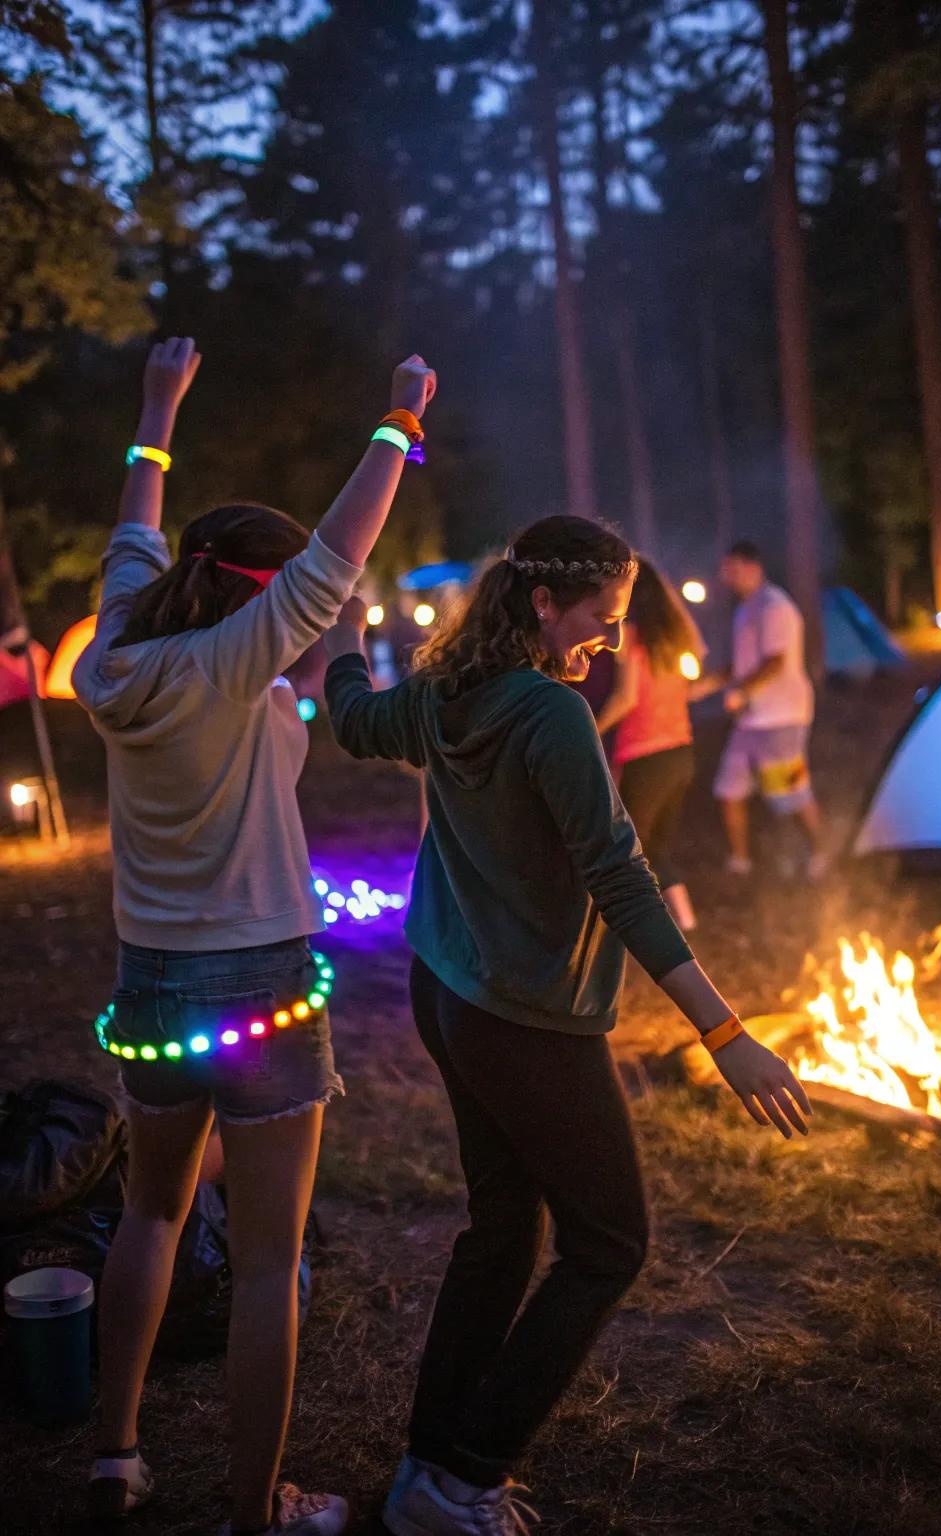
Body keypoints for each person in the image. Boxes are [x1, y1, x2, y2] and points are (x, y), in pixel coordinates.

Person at [323, 516, 811, 1536]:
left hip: (447, 992)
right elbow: (622, 879)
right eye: (602, 618)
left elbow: (357, 718)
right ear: (544, 605)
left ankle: (429, 1476)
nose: (611, 640)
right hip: (522, 1020)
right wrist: (727, 1037)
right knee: (608, 1243)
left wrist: (336, 644)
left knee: (502, 1231)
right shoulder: (549, 717)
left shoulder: (444, 695)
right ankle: (466, 1469)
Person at [74, 336, 437, 1536]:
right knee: (270, 1261)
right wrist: (398, 420)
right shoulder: (236, 659)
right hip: (265, 982)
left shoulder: (118, 645)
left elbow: (138, 519)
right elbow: (339, 555)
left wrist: (158, 407)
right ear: (255, 598)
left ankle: (115, 1456)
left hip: (152, 981)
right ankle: (251, 1510)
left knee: (152, 1213)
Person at [593, 557, 706, 932]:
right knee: (655, 846)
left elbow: (626, 699)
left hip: (645, 755)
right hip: (681, 754)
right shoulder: (676, 640)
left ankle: (625, 930)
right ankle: (686, 923)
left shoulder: (633, 638)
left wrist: (587, 728)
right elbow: (690, 682)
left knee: (626, 849)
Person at [705, 541, 826, 881]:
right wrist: (704, 685)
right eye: (725, 569)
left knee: (789, 793)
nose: (726, 576)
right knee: (729, 790)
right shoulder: (745, 609)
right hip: (749, 721)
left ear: (754, 567)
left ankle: (819, 852)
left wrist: (741, 692)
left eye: (733, 569)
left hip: (781, 718)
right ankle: (740, 861)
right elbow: (742, 665)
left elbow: (775, 663)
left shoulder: (774, 607)